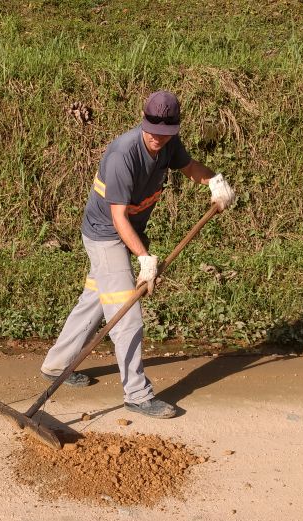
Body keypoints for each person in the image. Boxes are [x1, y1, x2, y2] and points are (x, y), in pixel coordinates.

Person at [39, 90, 236, 419]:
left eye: (166, 133)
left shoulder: (169, 142)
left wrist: (213, 181)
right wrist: (145, 258)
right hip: (106, 236)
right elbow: (118, 219)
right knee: (127, 316)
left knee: (96, 298)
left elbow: (189, 168)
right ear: (143, 122)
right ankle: (137, 394)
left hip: (128, 231)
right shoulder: (123, 155)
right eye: (153, 132)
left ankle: (57, 363)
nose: (158, 139)